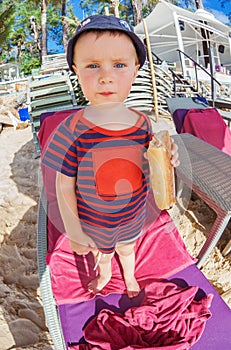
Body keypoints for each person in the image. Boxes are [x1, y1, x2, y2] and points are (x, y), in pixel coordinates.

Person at [42, 15, 179, 298]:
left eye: (119, 65)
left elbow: (150, 160)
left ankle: (129, 275)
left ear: (135, 70)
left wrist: (167, 157)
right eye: (93, 66)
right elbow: (63, 184)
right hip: (95, 218)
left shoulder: (143, 123)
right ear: (75, 71)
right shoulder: (71, 131)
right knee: (103, 251)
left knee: (127, 248)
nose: (106, 76)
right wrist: (76, 232)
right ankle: (105, 270)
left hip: (132, 213)